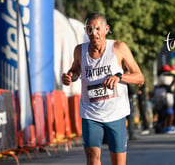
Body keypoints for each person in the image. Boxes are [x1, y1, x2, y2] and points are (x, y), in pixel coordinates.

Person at [62, 12, 145, 165]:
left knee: (118, 162)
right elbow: (75, 71)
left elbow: (139, 77)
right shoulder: (80, 50)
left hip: (116, 114)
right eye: (89, 29)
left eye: (98, 29)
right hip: (91, 114)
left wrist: (119, 77)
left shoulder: (119, 48)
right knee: (92, 159)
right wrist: (69, 76)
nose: (94, 33)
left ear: (106, 29)